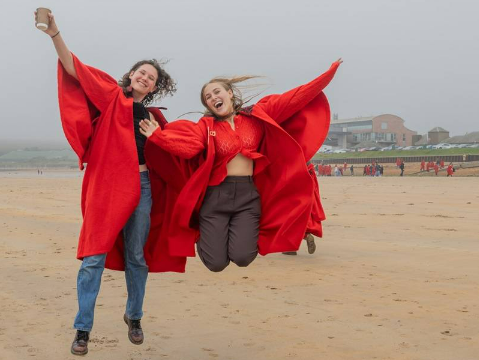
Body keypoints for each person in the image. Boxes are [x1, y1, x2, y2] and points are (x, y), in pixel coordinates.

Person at [35, 11, 179, 355]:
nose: (144, 78)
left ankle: (134, 316)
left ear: (155, 87)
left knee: (136, 258)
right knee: (92, 259)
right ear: (131, 76)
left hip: (142, 187)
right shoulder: (112, 97)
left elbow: (177, 153)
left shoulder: (156, 118)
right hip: (108, 187)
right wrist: (55, 33)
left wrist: (158, 137)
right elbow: (75, 69)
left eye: (151, 77)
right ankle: (83, 329)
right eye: (141, 72)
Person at [140, 59, 342, 271]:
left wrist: (326, 76)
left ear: (229, 93)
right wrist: (158, 137)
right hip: (215, 198)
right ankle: (205, 231)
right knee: (216, 264)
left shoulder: (256, 116)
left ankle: (225, 234)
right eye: (208, 98)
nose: (213, 98)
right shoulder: (206, 127)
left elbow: (294, 99)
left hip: (248, 197)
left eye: (217, 92)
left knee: (243, 257)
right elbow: (189, 148)